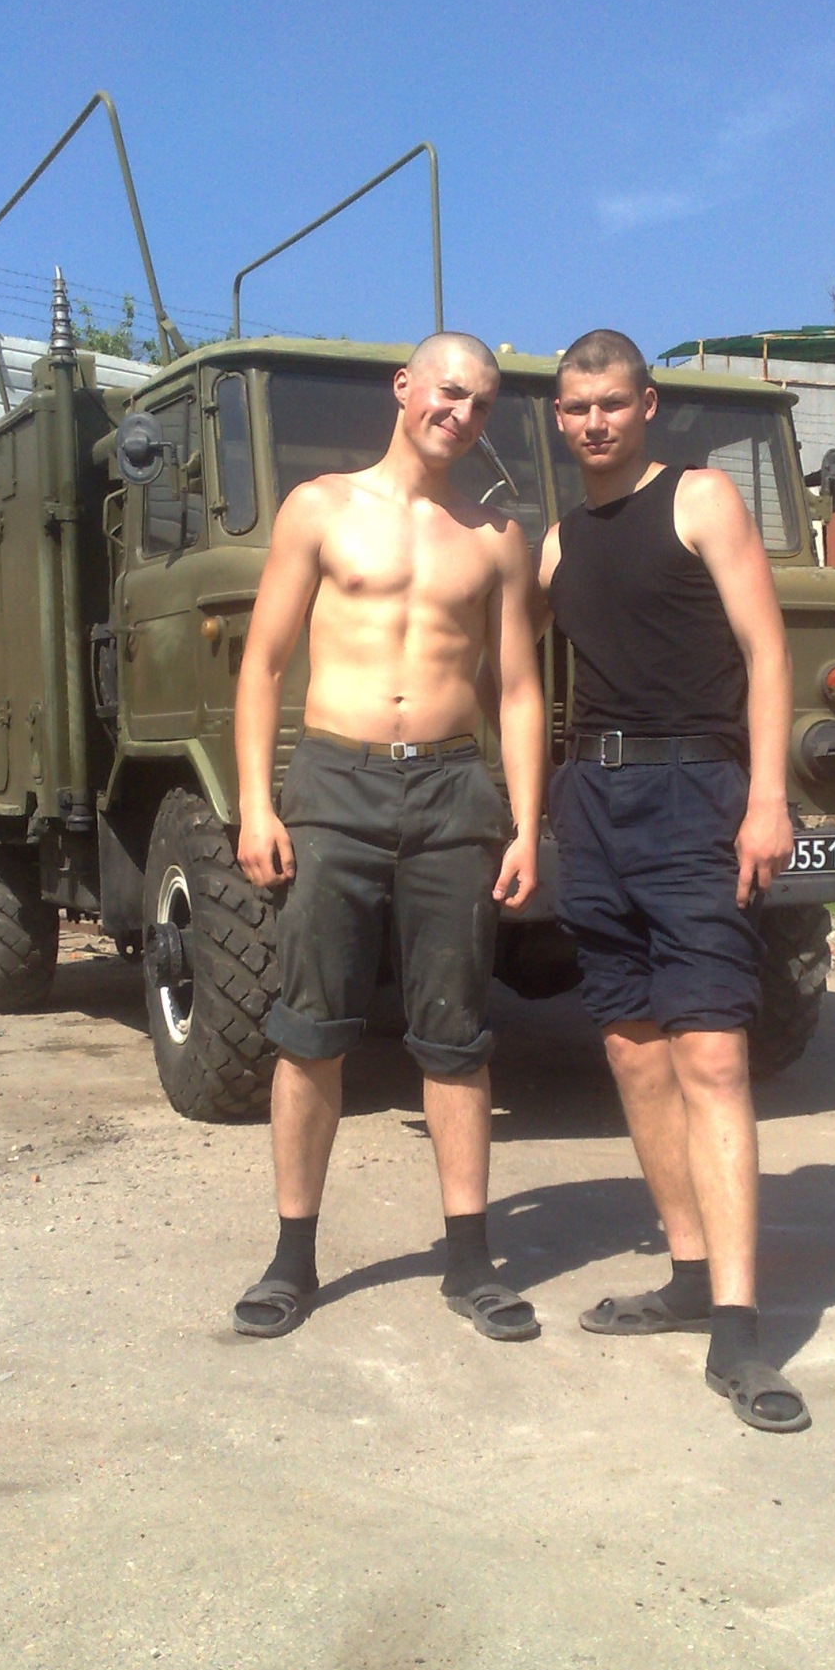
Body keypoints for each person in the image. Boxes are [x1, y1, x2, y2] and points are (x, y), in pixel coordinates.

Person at [231, 333, 547, 1343]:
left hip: (453, 791)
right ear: (405, 388)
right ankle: (292, 1258)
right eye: (449, 392)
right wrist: (256, 803)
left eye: (482, 403)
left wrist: (526, 824)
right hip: (336, 783)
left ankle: (471, 1262)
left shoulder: (495, 536)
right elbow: (262, 662)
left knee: (456, 1034)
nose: (462, 414)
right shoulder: (320, 508)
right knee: (310, 1028)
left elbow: (519, 689)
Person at [536, 328, 810, 1431]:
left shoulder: (699, 499)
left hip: (698, 794)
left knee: (713, 1054)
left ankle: (739, 1331)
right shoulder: (557, 542)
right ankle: (689, 1273)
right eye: (574, 408)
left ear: (646, 404)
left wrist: (767, 798)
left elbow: (769, 650)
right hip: (592, 803)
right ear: (558, 418)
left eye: (610, 402)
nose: (593, 421)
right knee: (634, 1050)